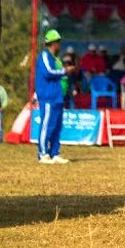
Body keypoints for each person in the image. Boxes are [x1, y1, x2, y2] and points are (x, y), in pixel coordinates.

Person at [35, 29, 74, 164]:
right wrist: (65, 71)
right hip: (47, 96)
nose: (60, 45)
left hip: (57, 96)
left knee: (57, 125)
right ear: (53, 43)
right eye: (59, 42)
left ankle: (54, 152)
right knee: (47, 125)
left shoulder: (55, 58)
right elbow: (48, 72)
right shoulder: (45, 56)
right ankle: (42, 154)